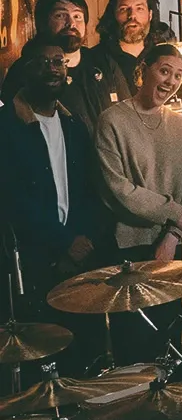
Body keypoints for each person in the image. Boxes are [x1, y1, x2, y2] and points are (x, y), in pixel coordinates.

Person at [95, 43, 182, 361]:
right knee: (133, 346)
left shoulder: (181, 126)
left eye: (178, 75)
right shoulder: (112, 120)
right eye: (164, 71)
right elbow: (119, 189)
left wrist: (172, 235)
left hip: (169, 246)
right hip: (127, 248)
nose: (170, 81)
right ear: (143, 71)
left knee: (169, 341)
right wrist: (174, 212)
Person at [0, 38, 107, 307]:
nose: (52, 68)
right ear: (25, 69)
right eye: (42, 62)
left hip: (79, 258)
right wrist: (63, 244)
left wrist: (82, 241)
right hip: (29, 263)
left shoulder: (74, 126)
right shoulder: (6, 126)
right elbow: (11, 198)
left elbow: (90, 189)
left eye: (58, 62)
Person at [0, 0, 128, 129]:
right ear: (43, 23)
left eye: (77, 16)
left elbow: (128, 113)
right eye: (60, 16)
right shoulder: (27, 69)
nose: (71, 24)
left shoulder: (103, 62)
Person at [96, 0, 175, 89]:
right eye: (124, 9)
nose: (132, 15)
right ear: (113, 14)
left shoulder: (164, 57)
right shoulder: (96, 61)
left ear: (150, 15)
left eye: (139, 8)